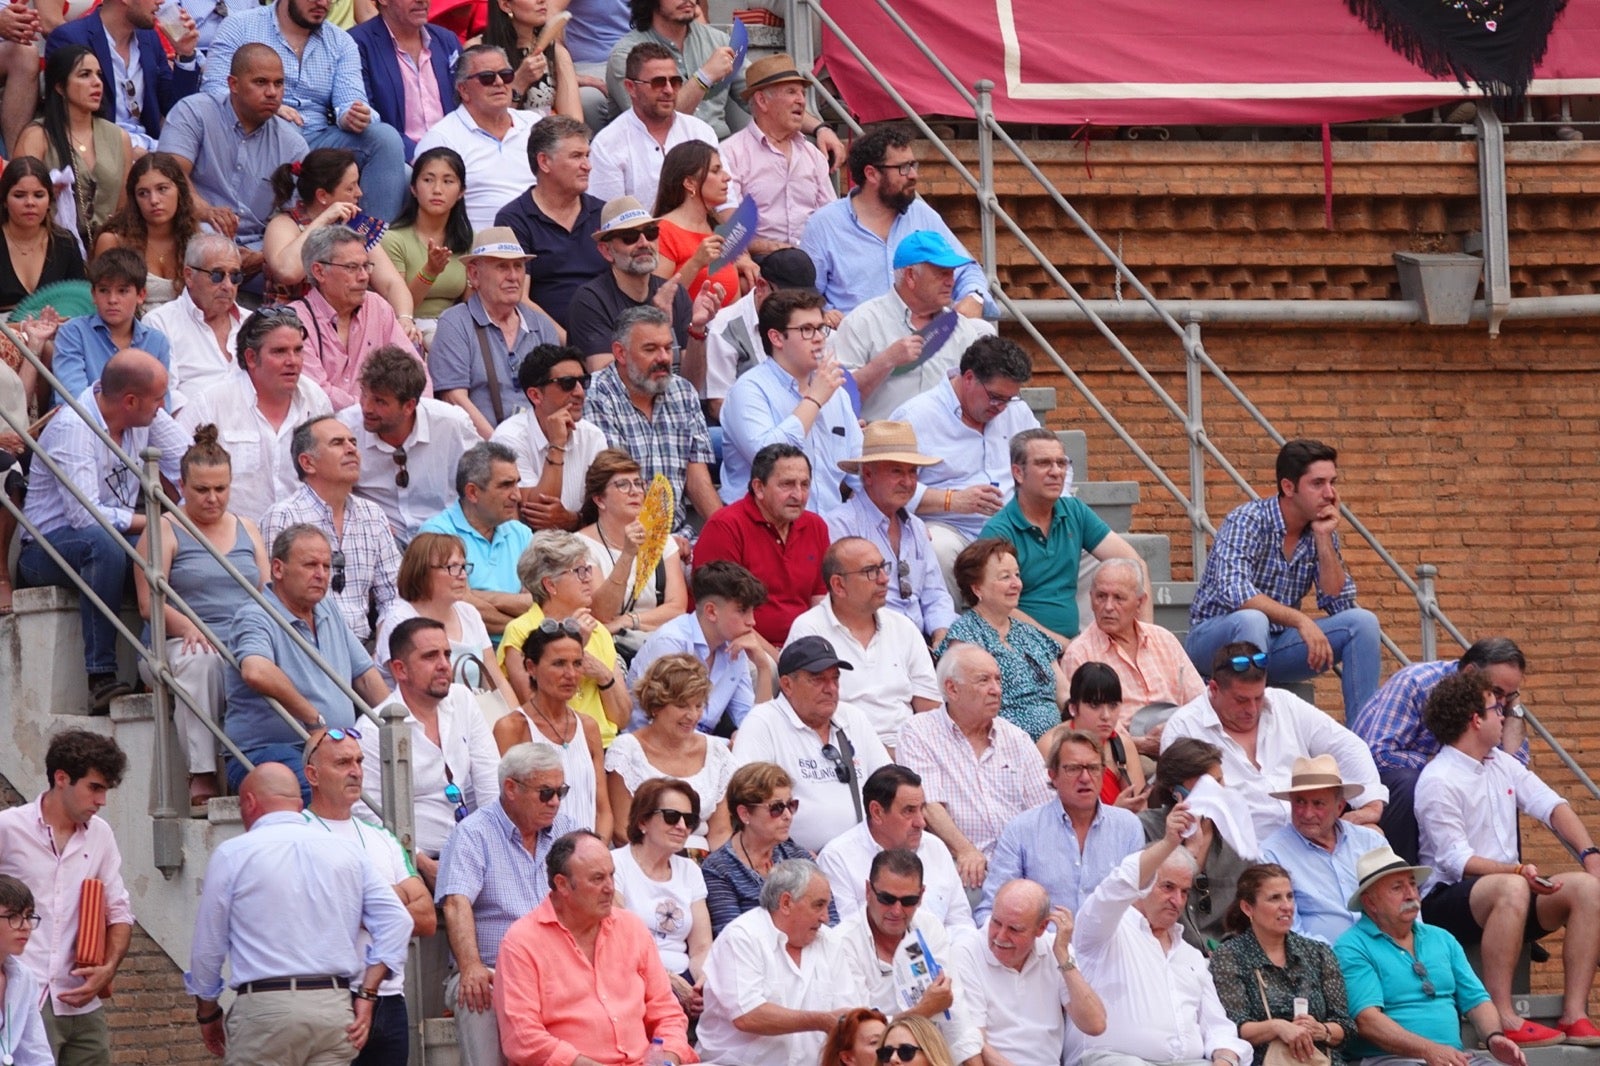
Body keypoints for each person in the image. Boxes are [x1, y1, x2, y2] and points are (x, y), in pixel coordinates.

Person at [1414, 670, 1600, 1046]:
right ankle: (1502, 1015)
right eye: (1496, 708)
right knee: (1513, 888)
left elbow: (1552, 806)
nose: (1504, 716)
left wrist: (1591, 855)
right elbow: (1457, 861)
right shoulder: (1438, 778)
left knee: (1587, 889)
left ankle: (1575, 1014)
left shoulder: (1502, 762)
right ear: (1475, 719)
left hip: (1510, 890)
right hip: (1449, 901)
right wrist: (1516, 871)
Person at [184, 762, 412, 1066]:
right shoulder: (346, 850)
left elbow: (207, 950)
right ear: (298, 803)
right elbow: (398, 921)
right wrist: (368, 994)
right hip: (333, 1007)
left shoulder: (234, 853)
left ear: (250, 802)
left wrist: (208, 1012)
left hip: (266, 1008)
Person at [17, 350, 183, 711]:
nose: (162, 407)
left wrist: (183, 519)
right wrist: (160, 520)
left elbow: (188, 461)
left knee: (170, 548)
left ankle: (153, 669)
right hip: (46, 549)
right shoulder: (74, 426)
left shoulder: (142, 414)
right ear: (130, 401)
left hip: (110, 538)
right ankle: (101, 677)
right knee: (104, 543)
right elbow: (85, 517)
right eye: (158, 400)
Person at [1185, 439, 1381, 715]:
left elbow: (1339, 603)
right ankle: (1249, 721)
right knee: (1253, 619)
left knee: (1363, 623)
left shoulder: (1318, 530)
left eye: (1332, 482)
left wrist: (1324, 540)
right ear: (1288, 487)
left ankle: (1365, 741)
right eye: (1318, 483)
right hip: (1216, 642)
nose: (1330, 494)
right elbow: (1236, 592)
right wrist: (1300, 620)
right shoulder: (1248, 520)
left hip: (1274, 646)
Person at [133, 426, 270, 809]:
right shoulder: (163, 528)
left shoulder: (248, 528)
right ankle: (203, 772)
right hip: (176, 643)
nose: (212, 498)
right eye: (201, 490)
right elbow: (148, 604)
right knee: (203, 661)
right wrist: (191, 626)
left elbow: (268, 592)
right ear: (182, 485)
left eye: (220, 489)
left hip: (241, 640)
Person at [493, 830, 697, 1066]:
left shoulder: (632, 928)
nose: (610, 887)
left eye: (611, 875)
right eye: (597, 879)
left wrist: (667, 1060)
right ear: (562, 885)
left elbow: (667, 1014)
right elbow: (522, 1037)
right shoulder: (522, 942)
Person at [1067, 811, 1255, 1066]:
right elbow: (1118, 885)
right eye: (1167, 887)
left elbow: (1218, 1028)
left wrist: (1225, 1058)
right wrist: (1168, 843)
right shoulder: (1103, 931)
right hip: (1114, 1060)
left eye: (1184, 892)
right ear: (1144, 885)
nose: (1177, 900)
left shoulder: (1190, 955)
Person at [300, 726, 438, 1066]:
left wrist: (367, 903)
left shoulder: (382, 837)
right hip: (328, 996)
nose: (356, 771)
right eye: (343, 762)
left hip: (389, 1000)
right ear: (312, 775)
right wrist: (395, 900)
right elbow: (321, 915)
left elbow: (426, 919)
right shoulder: (296, 834)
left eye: (359, 761)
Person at [201, 0, 409, 220]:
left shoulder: (341, 41)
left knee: (385, 137)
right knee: (287, 128)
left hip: (320, 138)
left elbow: (351, 99)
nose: (322, 3)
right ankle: (283, 228)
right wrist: (271, 106)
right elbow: (214, 90)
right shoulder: (240, 26)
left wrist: (353, 115)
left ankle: (370, 239)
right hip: (260, 132)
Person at [223, 523, 392, 793]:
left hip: (336, 750)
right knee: (322, 788)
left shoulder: (326, 608)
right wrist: (313, 720)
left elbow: (365, 677)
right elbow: (255, 670)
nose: (321, 575)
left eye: (326, 567)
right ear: (278, 569)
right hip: (270, 752)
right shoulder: (256, 614)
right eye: (310, 565)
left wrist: (398, 728)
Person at [435, 743, 576, 1066]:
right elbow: (456, 903)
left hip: (562, 969)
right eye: (545, 793)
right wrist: (470, 966)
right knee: (475, 993)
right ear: (511, 788)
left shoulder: (568, 832)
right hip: (493, 969)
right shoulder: (473, 833)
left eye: (560, 791)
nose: (555, 802)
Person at [1161, 642, 1387, 840]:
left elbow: (1347, 746)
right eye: (1241, 700)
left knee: (1373, 835)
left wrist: (1370, 804)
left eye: (1258, 698)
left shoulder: (1283, 703)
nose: (1251, 709)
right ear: (1214, 689)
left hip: (1309, 833)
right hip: (1239, 852)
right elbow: (1183, 799)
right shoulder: (1184, 726)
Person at [0, 730, 132, 1066]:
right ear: (62, 778)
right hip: (25, 994)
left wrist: (108, 969)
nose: (101, 800)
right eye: (95, 787)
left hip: (83, 1000)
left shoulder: (101, 835)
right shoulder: (8, 829)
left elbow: (118, 911)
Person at [1333, 844, 1529, 1066]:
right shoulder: (1352, 946)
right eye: (1397, 888)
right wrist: (1429, 1050)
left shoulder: (1441, 938)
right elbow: (1368, 1021)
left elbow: (1477, 1001)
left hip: (1452, 1058)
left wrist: (1495, 1038)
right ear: (1370, 903)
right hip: (1387, 1060)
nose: (1411, 894)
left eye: (1413, 885)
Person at [1348, 636, 1528, 864]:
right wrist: (1443, 762)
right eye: (1497, 692)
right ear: (1470, 672)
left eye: (1509, 696)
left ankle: (1509, 875)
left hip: (1442, 781)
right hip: (1375, 786)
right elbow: (1379, 755)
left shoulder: (1497, 708)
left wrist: (1514, 708)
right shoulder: (1416, 683)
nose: (1501, 702)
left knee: (1501, 784)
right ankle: (1405, 880)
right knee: (1413, 783)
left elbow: (1516, 764)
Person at [889, 337, 1049, 592]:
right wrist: (951, 500)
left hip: (1016, 525)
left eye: (1009, 399)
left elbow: (1054, 461)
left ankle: (1087, 633)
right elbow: (885, 487)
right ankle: (947, 630)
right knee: (937, 548)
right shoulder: (916, 417)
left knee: (1087, 550)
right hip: (952, 528)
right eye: (996, 397)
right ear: (969, 378)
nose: (1001, 407)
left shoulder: (1017, 411)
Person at [897, 644, 1052, 896]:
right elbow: (929, 805)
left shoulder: (1016, 738)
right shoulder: (919, 732)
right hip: (962, 868)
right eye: (983, 680)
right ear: (952, 688)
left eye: (998, 679)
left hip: (1022, 868)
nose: (996, 689)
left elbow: (1044, 811)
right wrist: (965, 850)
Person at [360, 616, 503, 878]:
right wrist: (421, 863)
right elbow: (368, 815)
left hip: (472, 850)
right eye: (430, 656)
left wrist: (491, 850)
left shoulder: (463, 699)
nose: (443, 665)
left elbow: (490, 782)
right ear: (400, 669)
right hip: (411, 865)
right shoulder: (372, 729)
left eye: (447, 654)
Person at [802, 124, 988, 318]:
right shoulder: (824, 224)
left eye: (913, 165)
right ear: (871, 174)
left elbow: (967, 269)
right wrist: (824, 314)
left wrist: (974, 297)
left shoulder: (921, 215)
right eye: (903, 168)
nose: (914, 175)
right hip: (856, 342)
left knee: (981, 331)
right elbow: (804, 293)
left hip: (924, 338)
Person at [732, 635, 893, 855]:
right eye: (817, 680)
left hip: (865, 856)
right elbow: (749, 801)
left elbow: (890, 786)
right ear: (787, 685)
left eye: (835, 679)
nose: (830, 689)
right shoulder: (763, 722)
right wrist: (793, 855)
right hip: (794, 863)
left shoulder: (853, 717)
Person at [983, 428, 1145, 642]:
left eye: (1061, 463)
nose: (1056, 471)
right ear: (1018, 473)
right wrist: (1061, 645)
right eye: (1043, 463)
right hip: (1020, 648)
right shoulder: (998, 531)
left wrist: (1144, 639)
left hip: (1072, 643)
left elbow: (1134, 564)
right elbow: (995, 607)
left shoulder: (1074, 511)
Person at [176, 306, 334, 524]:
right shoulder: (210, 403)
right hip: (232, 544)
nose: (293, 361)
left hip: (304, 542)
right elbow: (176, 475)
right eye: (279, 351)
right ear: (251, 357)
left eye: (298, 350)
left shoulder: (316, 399)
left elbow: (330, 476)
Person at [697, 858, 863, 1066]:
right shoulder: (742, 936)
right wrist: (820, 1020)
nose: (825, 918)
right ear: (786, 903)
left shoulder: (829, 941)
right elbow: (747, 1016)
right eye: (819, 905)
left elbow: (848, 1013)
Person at [788, 537, 940, 754]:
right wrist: (880, 754)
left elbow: (930, 709)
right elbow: (806, 715)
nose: (884, 579)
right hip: (842, 753)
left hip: (910, 752)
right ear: (839, 585)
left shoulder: (903, 627)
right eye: (871, 571)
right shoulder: (809, 630)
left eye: (883, 567)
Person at [976, 728, 1145, 923]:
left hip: (1110, 947)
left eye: (1093, 768)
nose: (1085, 777)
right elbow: (991, 910)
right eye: (1073, 768)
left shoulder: (1128, 827)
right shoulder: (1021, 830)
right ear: (1052, 775)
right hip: (1042, 948)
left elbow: (1139, 905)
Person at [158, 43, 308, 260]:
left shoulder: (293, 144)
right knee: (209, 244)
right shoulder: (194, 112)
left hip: (259, 248)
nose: (272, 93)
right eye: (260, 82)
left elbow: (294, 215)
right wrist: (207, 212)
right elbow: (169, 174)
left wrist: (265, 257)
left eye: (279, 83)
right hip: (197, 232)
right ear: (233, 84)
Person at [835, 849, 984, 1066]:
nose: (896, 910)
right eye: (887, 899)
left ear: (922, 895)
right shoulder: (842, 941)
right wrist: (923, 1011)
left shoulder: (929, 927)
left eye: (908, 901)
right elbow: (860, 1034)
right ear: (868, 891)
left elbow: (954, 1012)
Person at [261, 413, 402, 641]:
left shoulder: (373, 515)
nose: (351, 449)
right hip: (307, 646)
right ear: (307, 463)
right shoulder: (283, 516)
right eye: (337, 443)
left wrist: (382, 651)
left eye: (353, 442)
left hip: (368, 647)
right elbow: (274, 600)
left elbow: (394, 596)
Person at [720, 289, 862, 514]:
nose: (818, 338)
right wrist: (814, 399)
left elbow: (860, 470)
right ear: (776, 338)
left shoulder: (837, 393)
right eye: (806, 330)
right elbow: (768, 461)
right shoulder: (748, 390)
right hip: (763, 529)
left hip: (828, 527)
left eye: (820, 328)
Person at [583, 305, 721, 533]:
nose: (664, 358)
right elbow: (616, 491)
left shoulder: (683, 392)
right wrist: (662, 545)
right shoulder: (597, 395)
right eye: (650, 349)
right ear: (620, 353)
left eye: (668, 348)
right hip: (623, 540)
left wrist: (727, 532)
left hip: (679, 537)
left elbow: (698, 481)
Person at [833, 230, 997, 422]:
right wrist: (886, 361)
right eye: (942, 273)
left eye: (952, 273)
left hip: (945, 444)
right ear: (910, 276)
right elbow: (838, 400)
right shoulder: (862, 322)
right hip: (883, 444)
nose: (951, 282)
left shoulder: (962, 329)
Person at [948, 878, 1108, 1066]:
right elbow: (974, 1045)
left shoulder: (1055, 948)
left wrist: (1064, 957)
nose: (1000, 937)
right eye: (996, 922)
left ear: (1040, 928)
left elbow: (1095, 1024)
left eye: (1014, 929)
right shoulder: (967, 951)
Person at [826, 421, 957, 643]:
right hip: (872, 642)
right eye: (897, 471)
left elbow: (936, 594)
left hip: (922, 643)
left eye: (913, 472)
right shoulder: (840, 525)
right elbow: (849, 602)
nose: (907, 482)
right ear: (867, 475)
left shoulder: (915, 526)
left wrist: (941, 635)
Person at [1209, 863, 1352, 1066]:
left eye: (1290, 896)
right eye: (1274, 898)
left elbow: (1345, 1025)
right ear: (1247, 907)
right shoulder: (1230, 954)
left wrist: (1322, 1030)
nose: (1287, 906)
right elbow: (1234, 1027)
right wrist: (1277, 1027)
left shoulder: (1318, 952)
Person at [497, 530, 630, 745]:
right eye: (579, 571)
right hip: (555, 746)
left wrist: (603, 675)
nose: (589, 579)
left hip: (605, 746)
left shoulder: (598, 629)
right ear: (550, 585)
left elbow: (622, 718)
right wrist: (575, 650)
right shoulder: (521, 631)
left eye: (588, 569)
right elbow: (538, 710)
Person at [337, 344, 478, 545]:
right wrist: (364, 522)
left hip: (449, 540)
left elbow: (483, 485)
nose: (366, 408)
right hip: (378, 542)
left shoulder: (452, 424)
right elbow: (333, 494)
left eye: (380, 401)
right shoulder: (345, 427)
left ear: (409, 406)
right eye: (364, 395)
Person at [430, 225, 562, 436]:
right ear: (474, 274)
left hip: (541, 444)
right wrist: (499, 448)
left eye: (518, 266)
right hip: (481, 449)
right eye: (502, 267)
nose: (513, 276)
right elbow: (454, 399)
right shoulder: (455, 323)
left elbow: (559, 394)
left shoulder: (541, 325)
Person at [494, 615, 615, 839]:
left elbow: (603, 810)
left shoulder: (588, 727)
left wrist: (595, 849)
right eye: (559, 664)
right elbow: (508, 808)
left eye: (577, 664)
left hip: (588, 856)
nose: (570, 674)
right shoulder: (512, 727)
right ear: (531, 667)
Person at [696, 443, 828, 646]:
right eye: (787, 484)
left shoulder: (815, 525)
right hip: (740, 646)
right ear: (758, 487)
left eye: (805, 485)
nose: (798, 495)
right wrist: (781, 663)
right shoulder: (725, 527)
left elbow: (819, 603)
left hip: (802, 650)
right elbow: (726, 617)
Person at [936, 537, 1066, 741]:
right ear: (977, 588)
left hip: (1057, 742)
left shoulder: (1031, 634)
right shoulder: (965, 636)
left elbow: (1064, 694)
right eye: (1005, 577)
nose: (1016, 584)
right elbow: (967, 706)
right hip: (1002, 743)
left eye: (1017, 575)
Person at [261, 148, 418, 315]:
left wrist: (405, 318)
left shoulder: (354, 226)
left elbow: (392, 284)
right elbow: (288, 272)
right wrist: (323, 220)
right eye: (350, 188)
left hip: (343, 324)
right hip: (290, 325)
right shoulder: (284, 224)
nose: (359, 193)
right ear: (322, 195)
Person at [1063, 557, 1204, 742]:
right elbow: (1085, 727)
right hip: (1124, 752)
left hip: (1181, 742)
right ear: (1091, 598)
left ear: (1140, 602)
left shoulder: (1164, 639)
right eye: (1101, 596)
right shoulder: (1079, 655)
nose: (1108, 607)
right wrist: (1140, 745)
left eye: (1119, 598)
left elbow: (1200, 702)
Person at [627, 558, 773, 735]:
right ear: (711, 611)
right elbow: (663, 726)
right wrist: (725, 745)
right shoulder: (670, 643)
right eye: (742, 611)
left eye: (752, 611)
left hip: (699, 750)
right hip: (652, 750)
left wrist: (763, 667)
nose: (752, 621)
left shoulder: (735, 646)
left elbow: (754, 727)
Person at [372, 532, 520, 707]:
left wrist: (518, 722)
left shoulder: (469, 613)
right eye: (453, 567)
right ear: (422, 572)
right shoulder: (399, 620)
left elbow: (497, 681)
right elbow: (413, 695)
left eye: (464, 567)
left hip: (474, 719)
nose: (463, 575)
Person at [1136, 738, 1254, 953]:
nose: (1219, 791)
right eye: (1209, 785)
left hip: (1227, 959)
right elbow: (1142, 904)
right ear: (1176, 790)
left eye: (1220, 782)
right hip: (1164, 952)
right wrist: (1188, 849)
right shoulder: (1144, 829)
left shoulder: (1234, 835)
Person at [606, 654, 734, 853]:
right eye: (682, 706)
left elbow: (721, 831)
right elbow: (622, 831)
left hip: (705, 865)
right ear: (656, 705)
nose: (692, 716)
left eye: (698, 705)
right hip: (643, 862)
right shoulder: (626, 750)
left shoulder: (716, 752)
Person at [817, 765, 972, 926]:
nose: (921, 822)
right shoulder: (837, 859)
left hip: (943, 949)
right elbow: (846, 935)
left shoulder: (935, 847)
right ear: (877, 812)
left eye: (922, 809)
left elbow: (961, 922)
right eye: (909, 811)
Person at [493, 115, 608, 332]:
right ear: (544, 162)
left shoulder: (603, 213)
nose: (588, 166)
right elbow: (519, 298)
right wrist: (568, 343)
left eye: (587, 156)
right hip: (546, 342)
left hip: (608, 334)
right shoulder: (514, 219)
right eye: (576, 156)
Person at [292, 225, 425, 411]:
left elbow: (416, 373)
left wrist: (416, 412)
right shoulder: (294, 322)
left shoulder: (378, 307)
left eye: (366, 266)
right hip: (324, 428)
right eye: (352, 267)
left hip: (383, 427)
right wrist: (378, 409)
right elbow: (316, 394)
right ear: (319, 272)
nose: (364, 277)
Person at [1260, 754, 1387, 946]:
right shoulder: (1271, 855)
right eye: (1300, 802)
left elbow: (1401, 901)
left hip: (1385, 951)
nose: (1307, 813)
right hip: (1322, 964)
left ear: (1339, 807)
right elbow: (1288, 931)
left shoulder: (1371, 842)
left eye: (1318, 804)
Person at [611, 778, 712, 1017]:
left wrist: (703, 984)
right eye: (671, 816)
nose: (681, 826)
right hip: (632, 978)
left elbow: (700, 947)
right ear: (643, 821)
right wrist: (667, 981)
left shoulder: (691, 870)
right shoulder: (615, 864)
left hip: (684, 979)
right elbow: (619, 943)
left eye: (689, 820)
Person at [566, 195, 705, 367]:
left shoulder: (675, 294)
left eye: (650, 232)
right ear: (606, 251)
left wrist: (697, 331)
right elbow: (608, 382)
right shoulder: (590, 301)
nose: (644, 242)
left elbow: (693, 383)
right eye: (629, 236)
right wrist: (655, 324)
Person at [14, 45, 133, 248]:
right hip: (49, 247)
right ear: (60, 86)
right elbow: (15, 200)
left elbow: (123, 210)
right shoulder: (37, 136)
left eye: (98, 75)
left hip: (107, 251)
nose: (96, 83)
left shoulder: (119, 137)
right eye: (85, 75)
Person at [718, 53, 835, 257]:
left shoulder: (812, 155)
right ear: (762, 101)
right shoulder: (730, 153)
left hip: (812, 262)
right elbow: (730, 227)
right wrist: (771, 248)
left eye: (802, 93)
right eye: (791, 92)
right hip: (760, 262)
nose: (801, 101)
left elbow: (831, 218)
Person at [414, 45, 540, 232]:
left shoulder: (535, 124)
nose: (499, 82)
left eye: (505, 75)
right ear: (463, 90)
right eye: (487, 77)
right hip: (482, 251)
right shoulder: (441, 139)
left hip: (545, 240)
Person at [45, 0, 199, 151]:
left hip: (151, 150)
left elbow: (175, 109)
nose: (161, 1)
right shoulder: (69, 39)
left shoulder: (149, 38)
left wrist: (185, 55)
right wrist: (129, 152)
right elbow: (67, 119)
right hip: (100, 152)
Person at [416, 441, 536, 634]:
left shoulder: (520, 533)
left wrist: (480, 596)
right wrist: (524, 627)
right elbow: (458, 607)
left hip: (520, 649)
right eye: (506, 485)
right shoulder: (437, 534)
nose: (517, 496)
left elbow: (539, 602)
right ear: (472, 492)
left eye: (517, 484)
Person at [701, 761, 833, 937]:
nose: (787, 816)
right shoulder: (718, 868)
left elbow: (829, 920)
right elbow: (732, 937)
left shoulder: (799, 857)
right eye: (776, 808)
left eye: (791, 805)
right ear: (745, 813)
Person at [576, 447, 689, 646]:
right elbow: (601, 613)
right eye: (623, 485)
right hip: (608, 645)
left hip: (659, 640)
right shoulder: (580, 547)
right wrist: (627, 555)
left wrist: (628, 621)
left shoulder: (663, 541)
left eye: (638, 483)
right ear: (599, 500)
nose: (635, 491)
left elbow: (677, 608)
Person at [491, 345, 610, 532]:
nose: (580, 392)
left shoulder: (593, 436)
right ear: (535, 395)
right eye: (568, 383)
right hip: (530, 551)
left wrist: (574, 520)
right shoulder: (509, 438)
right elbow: (538, 516)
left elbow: (608, 507)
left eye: (583, 381)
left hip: (583, 542)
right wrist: (557, 445)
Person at [589, 42, 717, 211]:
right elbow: (611, 220)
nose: (669, 90)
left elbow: (724, 204)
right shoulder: (607, 145)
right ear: (631, 87)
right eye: (658, 82)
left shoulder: (701, 132)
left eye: (676, 81)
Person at [700, 246, 816, 417]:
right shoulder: (723, 328)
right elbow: (718, 405)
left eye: (805, 298)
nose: (797, 308)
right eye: (789, 299)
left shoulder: (814, 323)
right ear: (761, 286)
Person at [50, 247, 174, 405]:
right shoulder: (73, 333)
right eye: (104, 290)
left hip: (138, 427)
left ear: (141, 295)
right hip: (83, 425)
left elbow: (160, 406)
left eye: (122, 291)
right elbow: (73, 400)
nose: (112, 299)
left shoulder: (157, 341)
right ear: (93, 295)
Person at [348, 0, 459, 161]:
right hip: (397, 157)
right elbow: (367, 119)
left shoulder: (447, 40)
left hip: (457, 154)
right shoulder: (357, 43)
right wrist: (424, 158)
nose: (422, 1)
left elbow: (468, 105)